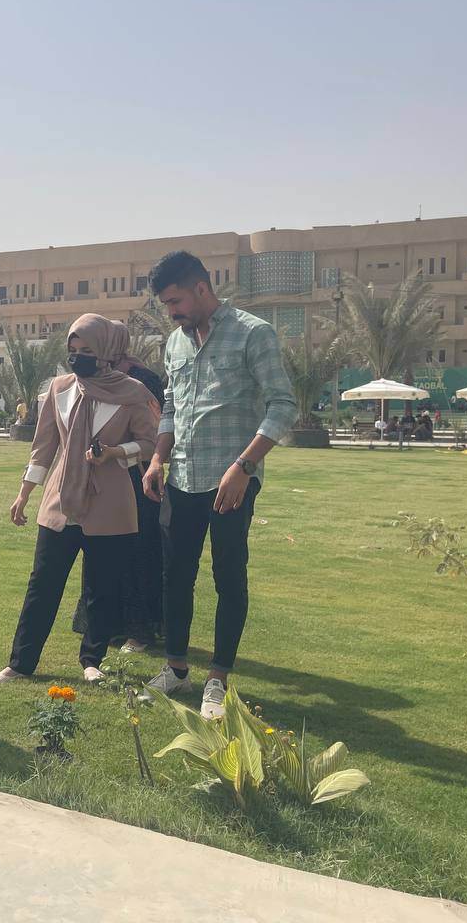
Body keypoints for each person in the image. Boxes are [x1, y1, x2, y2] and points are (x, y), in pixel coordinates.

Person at [140, 250, 296, 720]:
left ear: (201, 289)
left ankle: (218, 678)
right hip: (182, 478)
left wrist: (244, 467)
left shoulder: (253, 333)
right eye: (166, 305)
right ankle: (176, 669)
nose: (171, 312)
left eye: (175, 302)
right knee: (175, 576)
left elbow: (283, 405)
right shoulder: (176, 343)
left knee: (228, 576)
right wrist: (157, 459)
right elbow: (171, 406)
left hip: (232, 481)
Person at [0, 315, 157, 685]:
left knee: (102, 587)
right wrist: (24, 493)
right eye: (73, 349)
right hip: (60, 501)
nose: (78, 357)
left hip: (110, 505)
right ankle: (20, 663)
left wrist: (115, 452)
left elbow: (149, 443)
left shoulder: (132, 392)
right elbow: (43, 447)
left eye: (87, 350)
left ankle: (92, 661)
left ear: (106, 351)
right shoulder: (60, 388)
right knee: (43, 584)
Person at [72, 360, 166, 654]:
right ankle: (106, 625)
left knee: (136, 555)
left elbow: (154, 432)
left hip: (136, 479)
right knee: (101, 553)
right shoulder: (92, 378)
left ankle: (139, 628)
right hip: (101, 478)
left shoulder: (142, 381)